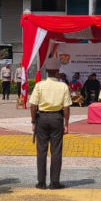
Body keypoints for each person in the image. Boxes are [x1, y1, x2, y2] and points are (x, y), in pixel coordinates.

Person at [29, 57, 71, 189]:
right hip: (57, 118)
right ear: (57, 71)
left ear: (46, 71)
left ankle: (41, 182)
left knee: (41, 151)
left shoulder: (39, 85)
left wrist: (33, 121)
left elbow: (33, 105)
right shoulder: (63, 86)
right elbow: (66, 107)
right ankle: (54, 182)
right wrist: (66, 124)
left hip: (42, 118)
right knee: (56, 151)